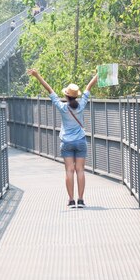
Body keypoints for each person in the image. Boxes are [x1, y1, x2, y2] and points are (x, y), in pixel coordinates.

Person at [26, 69, 98, 209]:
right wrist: (98, 75)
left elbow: (49, 90)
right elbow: (89, 87)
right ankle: (81, 200)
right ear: (76, 96)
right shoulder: (82, 105)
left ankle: (71, 200)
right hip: (80, 141)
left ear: (66, 96)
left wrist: (37, 75)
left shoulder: (62, 107)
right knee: (80, 170)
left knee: (69, 170)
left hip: (66, 142)